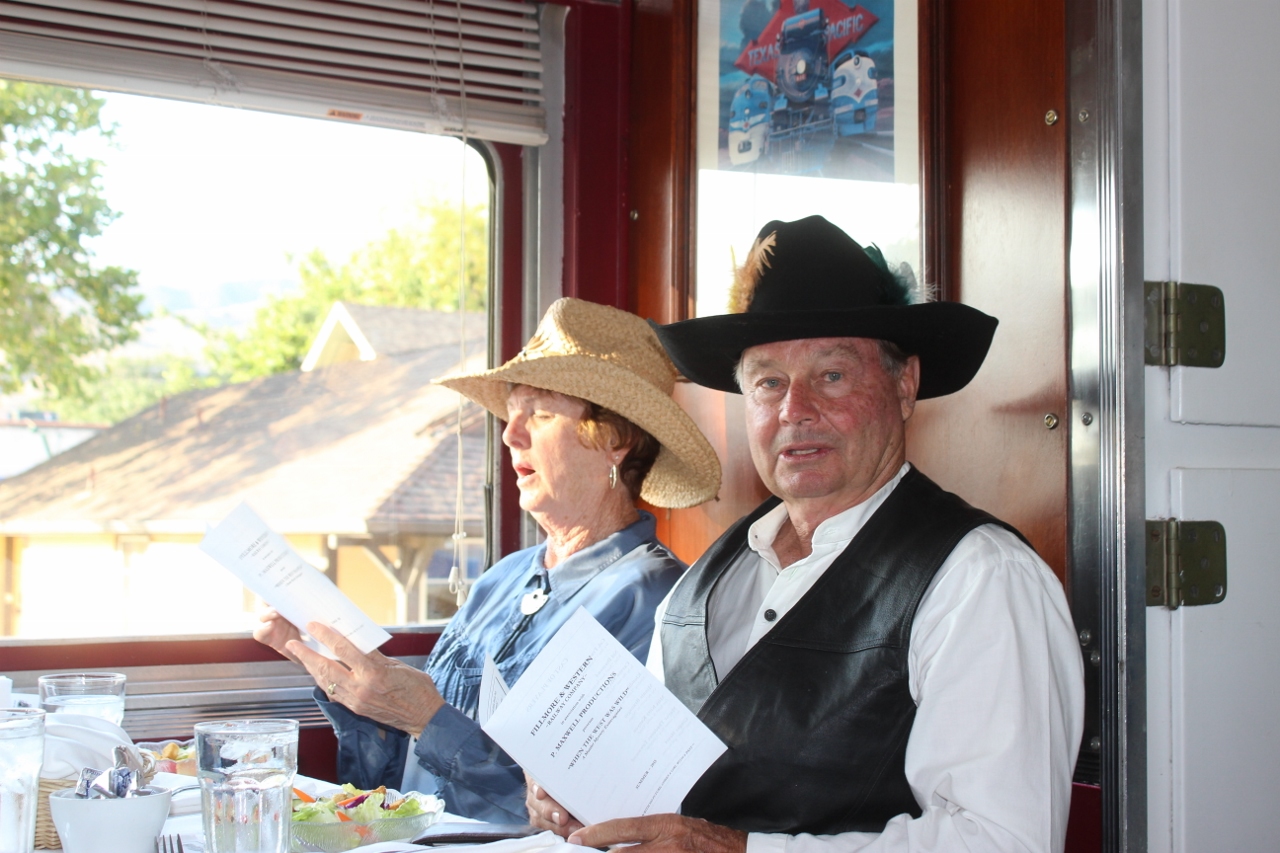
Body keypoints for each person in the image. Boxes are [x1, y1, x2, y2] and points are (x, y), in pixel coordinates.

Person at [525, 216, 1085, 852]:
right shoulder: (703, 582)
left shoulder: (981, 580)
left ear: (905, 386)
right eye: (769, 382)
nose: (795, 410)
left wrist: (740, 852)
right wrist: (582, 792)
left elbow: (1000, 841)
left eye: (832, 375)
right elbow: (654, 781)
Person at [254, 297, 721, 822]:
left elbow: (582, 817)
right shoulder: (502, 580)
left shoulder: (659, 605)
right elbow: (405, 779)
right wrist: (350, 681)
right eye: (510, 412)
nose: (509, 433)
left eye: (539, 413)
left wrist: (427, 718)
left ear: (615, 439)